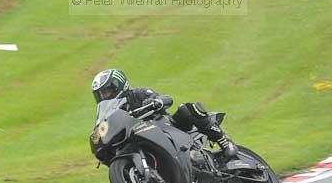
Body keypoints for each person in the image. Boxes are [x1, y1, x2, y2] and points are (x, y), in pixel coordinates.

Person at [91, 68, 237, 158]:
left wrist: (156, 101)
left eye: (106, 91)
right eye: (100, 94)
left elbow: (166, 98)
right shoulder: (113, 112)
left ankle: (224, 141)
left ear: (118, 85)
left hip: (168, 126)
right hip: (143, 139)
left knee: (186, 109)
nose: (104, 96)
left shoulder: (138, 93)